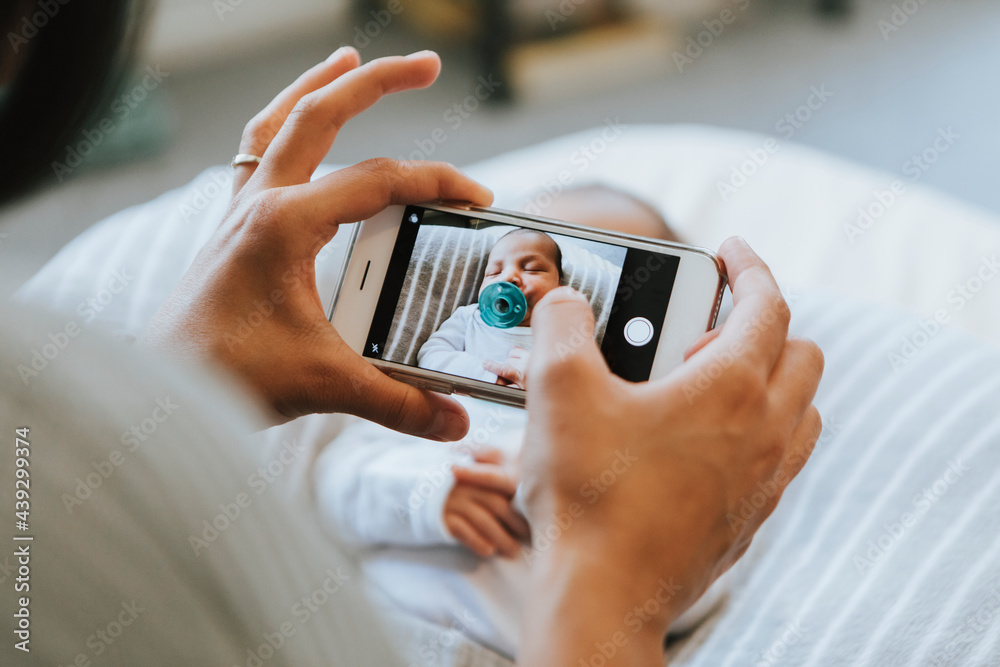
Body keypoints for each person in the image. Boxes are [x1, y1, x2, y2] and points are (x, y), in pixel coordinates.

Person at [0, 5, 823, 665]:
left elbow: (698, 566)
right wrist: (435, 493)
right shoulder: (455, 378)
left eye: (548, 269)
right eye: (511, 260)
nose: (521, 280)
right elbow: (345, 484)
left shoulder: (634, 419)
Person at [316, 192, 730, 658]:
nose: (510, 277)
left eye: (533, 267)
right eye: (496, 268)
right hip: (380, 627)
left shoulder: (611, 400)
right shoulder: (460, 340)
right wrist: (429, 493)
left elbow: (698, 579)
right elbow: (336, 482)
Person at [416, 228, 563, 387]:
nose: (507, 277)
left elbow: (582, 388)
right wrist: (488, 376)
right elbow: (430, 357)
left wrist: (539, 380)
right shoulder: (470, 317)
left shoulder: (564, 332)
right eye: (494, 272)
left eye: (531, 269)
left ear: (560, 287)